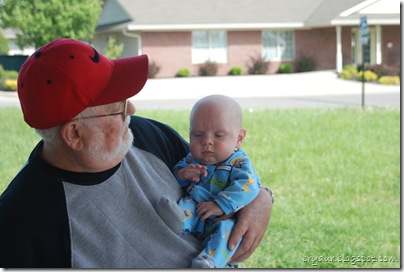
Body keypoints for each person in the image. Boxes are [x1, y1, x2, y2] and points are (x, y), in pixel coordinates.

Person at [0, 38, 273, 268]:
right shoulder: (23, 224)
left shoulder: (144, 134)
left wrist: (261, 198)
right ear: (74, 135)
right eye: (117, 106)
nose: (131, 110)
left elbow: (222, 169)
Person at [158, 95, 263, 268]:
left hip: (223, 216)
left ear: (239, 138)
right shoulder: (192, 158)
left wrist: (220, 205)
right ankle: (177, 221)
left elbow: (249, 186)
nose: (206, 141)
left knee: (228, 233)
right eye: (198, 134)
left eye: (219, 135)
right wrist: (184, 174)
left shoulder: (239, 162)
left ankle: (208, 261)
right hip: (197, 208)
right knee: (187, 203)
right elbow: (176, 173)